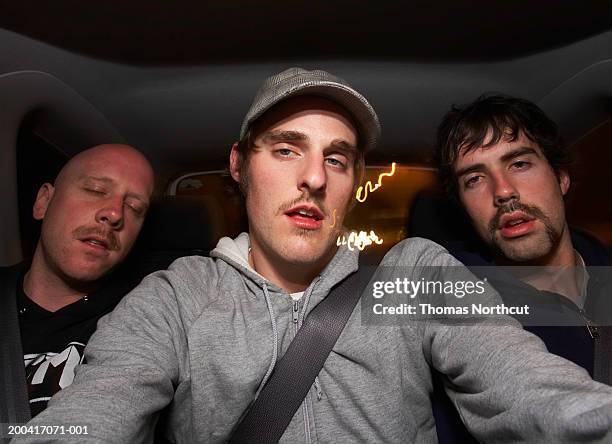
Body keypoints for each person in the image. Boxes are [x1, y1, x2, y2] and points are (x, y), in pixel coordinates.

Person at [16, 69, 612, 443]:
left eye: (335, 158)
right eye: (285, 150)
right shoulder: (177, 296)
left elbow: (531, 387)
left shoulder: (412, 275)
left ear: (353, 179)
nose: (312, 179)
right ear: (238, 165)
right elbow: (99, 406)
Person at [432, 93, 612, 442]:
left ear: (561, 178)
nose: (503, 191)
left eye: (519, 164)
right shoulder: (457, 317)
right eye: (474, 179)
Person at [0, 144, 155, 424]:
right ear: (43, 202)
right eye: (96, 190)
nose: (115, 214)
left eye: (135, 207)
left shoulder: (147, 324)